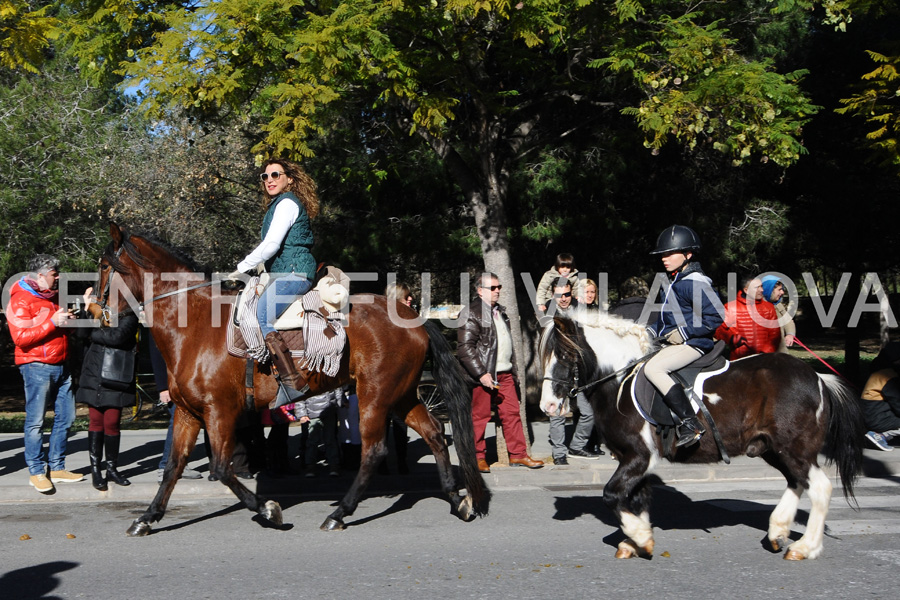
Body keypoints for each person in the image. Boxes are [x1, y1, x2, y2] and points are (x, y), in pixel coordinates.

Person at [231, 158, 320, 404]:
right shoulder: (277, 205)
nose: (269, 180)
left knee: (262, 313)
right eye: (265, 176)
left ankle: (292, 382)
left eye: (275, 175)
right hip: (282, 273)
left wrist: (240, 267)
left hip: (295, 273)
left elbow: (271, 245)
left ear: (289, 179)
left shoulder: (288, 203)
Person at [5, 254, 84, 493]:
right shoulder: (20, 300)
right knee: (36, 422)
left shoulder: (53, 297)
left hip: (62, 364)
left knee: (67, 418)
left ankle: (57, 467)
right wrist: (52, 322)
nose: (58, 277)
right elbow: (20, 338)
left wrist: (68, 323)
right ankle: (37, 471)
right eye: (54, 274)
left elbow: (58, 332)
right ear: (40, 275)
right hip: (36, 366)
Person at [645, 225, 723, 447]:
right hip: (676, 342)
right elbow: (667, 319)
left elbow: (715, 316)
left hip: (695, 343)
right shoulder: (673, 281)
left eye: (670, 253)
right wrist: (647, 332)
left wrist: (684, 332)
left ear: (688, 254)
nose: (664, 258)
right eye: (663, 254)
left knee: (654, 368)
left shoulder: (695, 282)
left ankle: (690, 423)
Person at [458, 273, 543, 472]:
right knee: (480, 417)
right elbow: (465, 348)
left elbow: (505, 344)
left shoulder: (500, 312)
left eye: (499, 287)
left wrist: (513, 370)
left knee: (512, 414)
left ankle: (519, 455)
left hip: (504, 374)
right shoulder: (471, 312)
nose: (498, 291)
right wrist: (481, 374)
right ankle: (477, 457)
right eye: (493, 288)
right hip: (483, 376)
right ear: (480, 291)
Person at [75, 302, 139, 490]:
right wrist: (85, 310)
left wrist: (91, 333)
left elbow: (116, 337)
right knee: (95, 421)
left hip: (116, 374)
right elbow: (80, 334)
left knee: (112, 422)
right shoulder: (94, 310)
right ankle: (96, 469)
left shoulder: (129, 313)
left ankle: (111, 468)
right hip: (94, 372)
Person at [545, 279, 603, 464]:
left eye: (566, 294)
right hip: (559, 370)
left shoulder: (581, 309)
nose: (563, 299)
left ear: (572, 293)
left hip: (580, 370)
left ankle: (577, 446)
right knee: (558, 412)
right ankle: (559, 453)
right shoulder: (548, 313)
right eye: (559, 295)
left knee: (589, 412)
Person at [383, 282, 413, 474]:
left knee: (401, 423)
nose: (410, 299)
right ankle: (382, 463)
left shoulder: (411, 320)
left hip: (403, 381)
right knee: (382, 424)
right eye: (406, 297)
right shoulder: (384, 321)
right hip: (385, 381)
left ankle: (402, 461)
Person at [715, 276, 781, 360]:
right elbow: (719, 331)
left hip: (765, 360)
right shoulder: (730, 307)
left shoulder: (769, 308)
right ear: (746, 290)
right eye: (757, 287)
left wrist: (766, 353)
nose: (762, 290)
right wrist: (731, 338)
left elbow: (775, 334)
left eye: (761, 286)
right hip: (740, 361)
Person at [292, 387, 343, 477]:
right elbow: (299, 394)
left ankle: (317, 466)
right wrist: (302, 414)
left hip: (323, 411)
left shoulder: (308, 375)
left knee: (320, 440)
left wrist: (302, 414)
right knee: (322, 440)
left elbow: (337, 388)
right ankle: (328, 465)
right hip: (320, 412)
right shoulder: (311, 375)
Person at [860, 362, 900, 451]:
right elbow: (898, 405)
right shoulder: (889, 378)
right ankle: (881, 436)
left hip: (871, 416)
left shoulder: (883, 374)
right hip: (877, 419)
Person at [759, 275, 797, 352]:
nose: (782, 292)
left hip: (781, 353)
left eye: (782, 289)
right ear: (769, 289)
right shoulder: (757, 307)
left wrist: (790, 334)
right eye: (779, 289)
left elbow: (788, 320)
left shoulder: (778, 305)